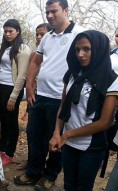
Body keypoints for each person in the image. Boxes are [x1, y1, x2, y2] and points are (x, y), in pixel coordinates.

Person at [14, 0, 84, 189]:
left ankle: (50, 175)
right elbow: (36, 61)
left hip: (60, 99)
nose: (50, 15)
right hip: (40, 96)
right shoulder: (47, 37)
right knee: (34, 135)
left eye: (54, 11)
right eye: (47, 12)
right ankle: (33, 172)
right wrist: (29, 85)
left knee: (55, 139)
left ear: (66, 10)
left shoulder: (79, 34)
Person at [48, 30, 117, 191]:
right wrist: (57, 132)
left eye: (86, 49)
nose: (80, 54)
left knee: (83, 187)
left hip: (91, 146)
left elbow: (105, 122)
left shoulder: (111, 80)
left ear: (99, 50)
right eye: (77, 49)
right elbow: (63, 106)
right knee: (68, 184)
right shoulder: (72, 74)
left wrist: (67, 134)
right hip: (68, 142)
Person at [0, 19, 30, 166]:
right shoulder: (5, 48)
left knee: (11, 122)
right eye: (5, 31)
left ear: (17, 31)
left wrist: (13, 96)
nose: (7, 34)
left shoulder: (23, 49)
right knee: (4, 121)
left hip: (12, 89)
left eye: (10, 31)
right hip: (1, 87)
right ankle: (2, 150)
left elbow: (22, 75)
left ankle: (10, 153)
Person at [17, 23, 52, 171]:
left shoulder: (56, 53)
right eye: (37, 34)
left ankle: (48, 164)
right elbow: (27, 77)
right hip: (35, 97)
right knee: (32, 132)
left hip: (52, 98)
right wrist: (30, 90)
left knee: (49, 133)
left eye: (42, 34)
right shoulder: (34, 55)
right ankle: (32, 161)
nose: (38, 37)